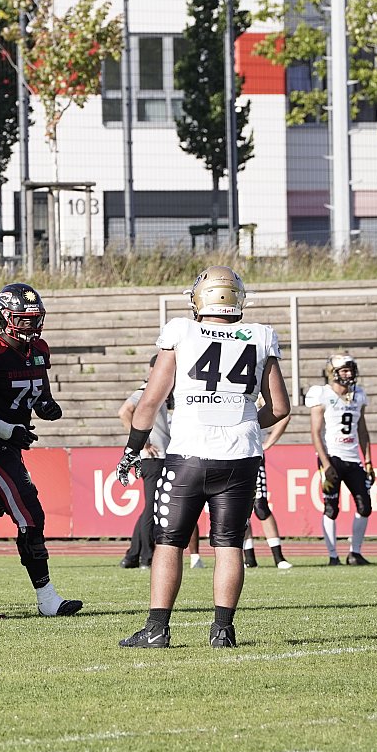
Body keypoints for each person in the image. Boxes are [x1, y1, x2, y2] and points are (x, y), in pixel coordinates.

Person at [115, 265, 290, 649]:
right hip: (241, 456)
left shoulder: (181, 330)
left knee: (169, 542)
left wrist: (131, 449)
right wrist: (244, 420)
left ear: (200, 298)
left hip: (189, 456)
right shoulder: (261, 335)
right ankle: (222, 630)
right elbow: (279, 407)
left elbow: (150, 402)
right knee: (229, 544)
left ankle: (157, 629)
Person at [0, 283, 81, 616]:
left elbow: (40, 392)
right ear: (4, 317)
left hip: (11, 445)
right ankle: (48, 600)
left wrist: (46, 406)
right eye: (23, 319)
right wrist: (3, 427)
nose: (30, 325)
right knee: (30, 513)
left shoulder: (38, 348)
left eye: (34, 319)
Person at [307, 353, 374, 565]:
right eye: (344, 370)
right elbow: (315, 433)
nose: (349, 374)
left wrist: (368, 461)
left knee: (365, 506)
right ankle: (333, 555)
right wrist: (326, 464)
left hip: (353, 458)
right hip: (332, 457)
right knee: (331, 508)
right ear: (332, 372)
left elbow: (362, 430)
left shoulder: (358, 395)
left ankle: (355, 553)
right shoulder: (321, 394)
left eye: (350, 369)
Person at [117, 356, 168, 570]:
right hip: (154, 457)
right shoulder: (148, 388)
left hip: (158, 455)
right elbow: (124, 411)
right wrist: (142, 442)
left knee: (151, 506)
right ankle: (146, 556)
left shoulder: (158, 389)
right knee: (153, 508)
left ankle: (132, 555)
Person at [243, 414, 293, 569]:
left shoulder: (256, 400)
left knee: (261, 507)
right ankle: (249, 558)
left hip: (253, 456)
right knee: (240, 509)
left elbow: (284, 416)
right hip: (231, 456)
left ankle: (278, 557)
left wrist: (268, 443)